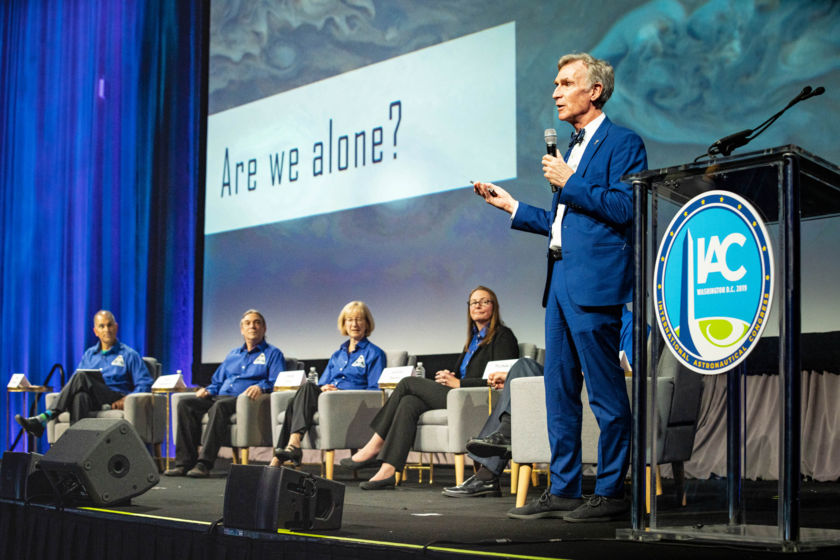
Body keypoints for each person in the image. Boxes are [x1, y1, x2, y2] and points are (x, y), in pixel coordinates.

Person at [473, 52, 647, 522]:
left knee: (606, 394)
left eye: (566, 83)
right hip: (560, 280)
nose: (555, 92)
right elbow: (562, 223)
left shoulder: (622, 142)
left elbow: (624, 208)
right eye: (554, 83)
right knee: (559, 389)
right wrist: (513, 207)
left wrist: (570, 182)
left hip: (595, 285)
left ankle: (611, 491)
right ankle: (566, 488)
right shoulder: (569, 149)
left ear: (594, 91)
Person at [442, 305, 634, 498]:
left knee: (523, 370)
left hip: (592, 388)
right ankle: (501, 442)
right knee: (522, 368)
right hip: (569, 384)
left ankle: (490, 467)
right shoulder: (582, 322)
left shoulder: (630, 324)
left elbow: (629, 369)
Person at [340, 286, 519, 490]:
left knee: (408, 383)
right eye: (473, 302)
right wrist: (450, 376)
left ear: (494, 307)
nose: (478, 305)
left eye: (484, 301)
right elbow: (462, 375)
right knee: (409, 402)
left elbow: (501, 379)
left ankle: (374, 444)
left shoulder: (503, 336)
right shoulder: (472, 340)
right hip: (459, 395)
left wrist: (460, 383)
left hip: (478, 399)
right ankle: (388, 470)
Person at [164, 309, 285, 478]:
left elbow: (278, 381)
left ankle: (204, 463)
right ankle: (184, 463)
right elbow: (217, 381)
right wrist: (208, 390)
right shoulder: (233, 354)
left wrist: (261, 387)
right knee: (186, 404)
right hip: (219, 396)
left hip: (244, 400)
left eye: (257, 322)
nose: (252, 326)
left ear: (264, 328)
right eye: (248, 323)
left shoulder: (273, 354)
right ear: (242, 330)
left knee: (219, 406)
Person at [269, 301, 386, 467]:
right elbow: (322, 383)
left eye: (359, 319)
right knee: (298, 396)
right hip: (328, 400)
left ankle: (286, 452)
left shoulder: (375, 353)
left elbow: (375, 391)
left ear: (367, 323)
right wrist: (324, 388)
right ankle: (290, 448)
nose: (354, 324)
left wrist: (341, 392)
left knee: (300, 395)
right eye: (350, 320)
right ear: (344, 324)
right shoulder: (337, 355)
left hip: (350, 403)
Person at [15, 310, 154, 437]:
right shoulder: (89, 355)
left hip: (114, 398)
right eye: (102, 326)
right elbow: (76, 384)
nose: (107, 329)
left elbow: (145, 383)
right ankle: (79, 450)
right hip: (94, 400)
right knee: (80, 396)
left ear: (116, 327)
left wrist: (126, 399)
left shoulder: (129, 354)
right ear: (95, 331)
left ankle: (46, 416)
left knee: (81, 377)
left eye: (110, 325)